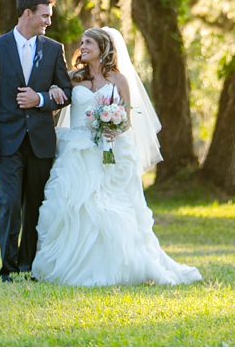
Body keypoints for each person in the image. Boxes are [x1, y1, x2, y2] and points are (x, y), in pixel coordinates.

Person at [31, 26, 202, 287]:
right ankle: (69, 266)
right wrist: (54, 89)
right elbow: (58, 98)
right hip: (76, 151)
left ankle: (111, 266)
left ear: (103, 48)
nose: (83, 46)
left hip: (106, 152)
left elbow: (127, 120)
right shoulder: (74, 79)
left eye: (89, 42)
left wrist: (112, 126)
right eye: (83, 42)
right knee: (72, 205)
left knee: (105, 207)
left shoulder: (119, 80)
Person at [0, 0, 73, 280]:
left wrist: (41, 99)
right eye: (45, 16)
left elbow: (67, 92)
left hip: (41, 141)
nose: (48, 22)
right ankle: (8, 267)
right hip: (6, 141)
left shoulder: (54, 49)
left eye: (50, 16)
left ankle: (28, 264)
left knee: (35, 204)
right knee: (9, 202)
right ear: (27, 14)